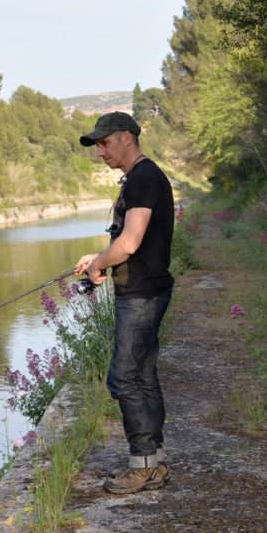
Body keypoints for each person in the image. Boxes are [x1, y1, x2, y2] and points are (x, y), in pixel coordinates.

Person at [73, 112, 175, 495]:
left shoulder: (144, 179)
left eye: (104, 142)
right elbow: (130, 242)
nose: (99, 151)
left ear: (127, 138)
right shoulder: (141, 177)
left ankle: (143, 465)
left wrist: (101, 262)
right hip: (147, 288)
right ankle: (155, 461)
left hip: (143, 293)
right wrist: (97, 257)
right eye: (96, 145)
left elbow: (130, 243)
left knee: (124, 377)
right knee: (143, 375)